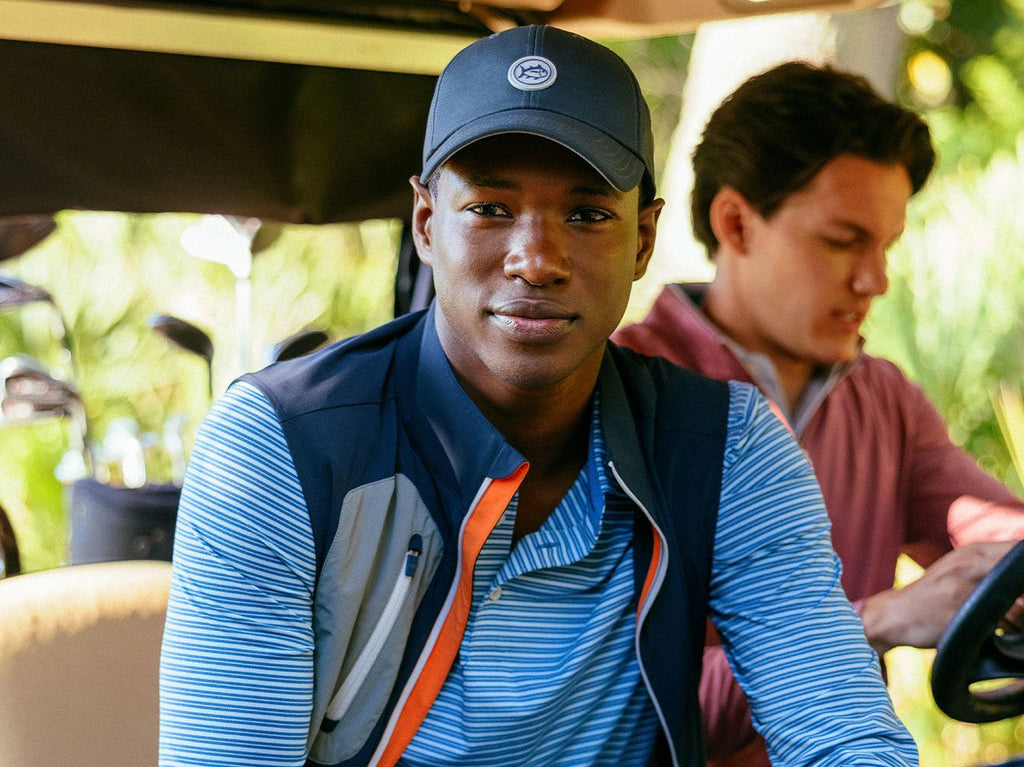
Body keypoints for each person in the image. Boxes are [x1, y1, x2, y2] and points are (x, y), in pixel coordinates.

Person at [159, 27, 918, 767]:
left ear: (644, 240)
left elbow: (841, 728)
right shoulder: (281, 446)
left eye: (588, 215)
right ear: (427, 222)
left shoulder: (728, 445)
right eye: (491, 208)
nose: (535, 259)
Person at [613, 61, 1024, 765]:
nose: (876, 280)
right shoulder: (617, 401)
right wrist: (878, 621)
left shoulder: (883, 397)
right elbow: (626, 703)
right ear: (735, 222)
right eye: (842, 241)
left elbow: (990, 532)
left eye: (886, 246)